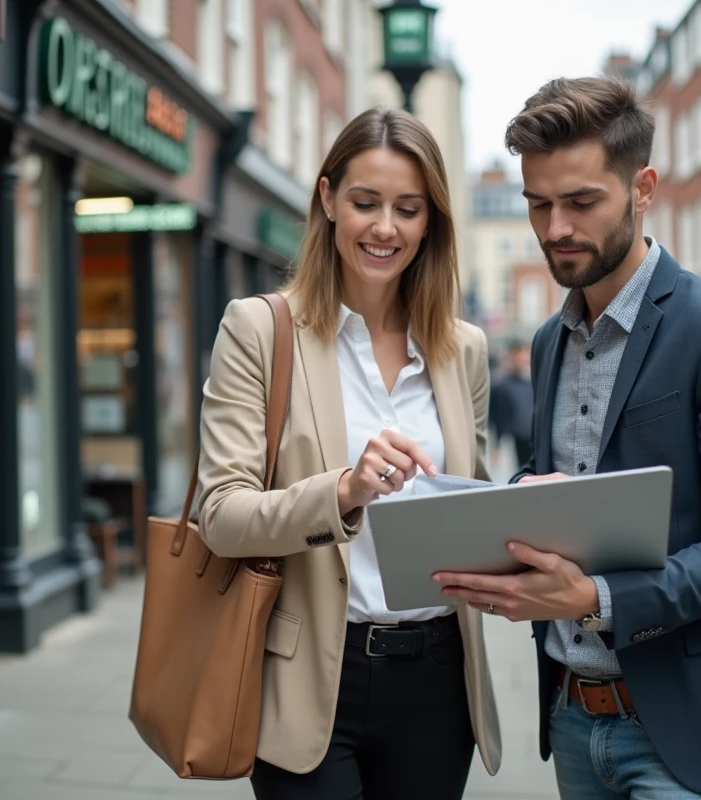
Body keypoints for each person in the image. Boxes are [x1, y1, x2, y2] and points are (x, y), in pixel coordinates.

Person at [432, 77, 701, 799]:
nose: (553, 229)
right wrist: (510, 508)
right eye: (537, 204)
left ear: (643, 188)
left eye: (579, 202)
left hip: (691, 729)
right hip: (574, 718)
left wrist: (595, 597)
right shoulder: (549, 342)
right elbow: (559, 483)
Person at [196, 107, 501, 799]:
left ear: (432, 223)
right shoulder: (259, 329)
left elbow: (467, 500)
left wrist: (518, 513)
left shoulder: (464, 351)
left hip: (437, 682)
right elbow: (220, 514)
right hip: (310, 682)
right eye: (366, 202)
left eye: (408, 209)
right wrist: (343, 491)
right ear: (328, 199)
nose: (385, 227)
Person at [492, 339, 536, 467]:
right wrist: (497, 446)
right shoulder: (503, 386)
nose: (523, 358)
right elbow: (498, 418)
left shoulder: (537, 381)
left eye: (525, 354)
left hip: (535, 440)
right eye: (518, 355)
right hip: (513, 441)